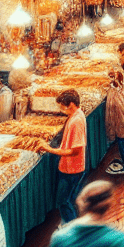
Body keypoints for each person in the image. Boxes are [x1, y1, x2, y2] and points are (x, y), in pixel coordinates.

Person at [40, 89, 87, 222]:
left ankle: (72, 228)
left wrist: (49, 149)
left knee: (63, 202)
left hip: (71, 169)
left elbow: (75, 151)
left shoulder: (76, 121)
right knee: (71, 200)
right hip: (72, 168)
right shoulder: (76, 115)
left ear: (71, 104)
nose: (60, 109)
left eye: (62, 105)